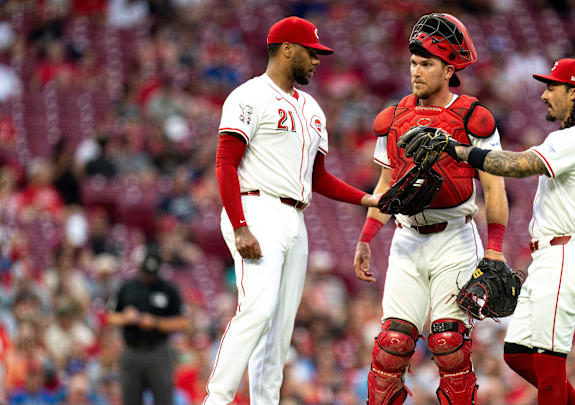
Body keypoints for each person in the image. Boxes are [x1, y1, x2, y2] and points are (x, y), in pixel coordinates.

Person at [206, 16, 380, 404]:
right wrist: (239, 225)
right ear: (287, 49)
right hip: (255, 207)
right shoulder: (249, 96)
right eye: (311, 52)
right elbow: (225, 163)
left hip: (294, 218)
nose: (317, 60)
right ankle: (216, 398)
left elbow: (319, 178)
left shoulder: (314, 109)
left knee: (280, 325)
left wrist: (366, 199)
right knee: (257, 308)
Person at [353, 13, 509, 404]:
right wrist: (366, 238)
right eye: (413, 63)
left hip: (455, 238)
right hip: (406, 240)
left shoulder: (474, 117)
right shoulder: (393, 119)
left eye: (426, 64)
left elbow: (494, 188)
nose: (416, 71)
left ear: (449, 69)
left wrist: (494, 250)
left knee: (448, 342)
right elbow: (386, 186)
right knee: (391, 344)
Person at [444, 58, 575, 405]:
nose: (545, 94)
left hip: (565, 255)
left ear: (574, 93)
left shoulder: (574, 138)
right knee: (518, 353)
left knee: (549, 366)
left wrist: (458, 150)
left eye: (552, 87)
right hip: (554, 255)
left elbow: (518, 165)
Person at [107, 252, 190, 405]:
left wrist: (155, 323)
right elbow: (110, 316)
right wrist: (125, 317)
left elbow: (183, 322)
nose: (148, 277)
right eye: (145, 273)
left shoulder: (168, 289)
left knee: (164, 398)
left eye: (152, 274)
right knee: (130, 398)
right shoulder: (127, 287)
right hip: (132, 351)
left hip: (159, 351)